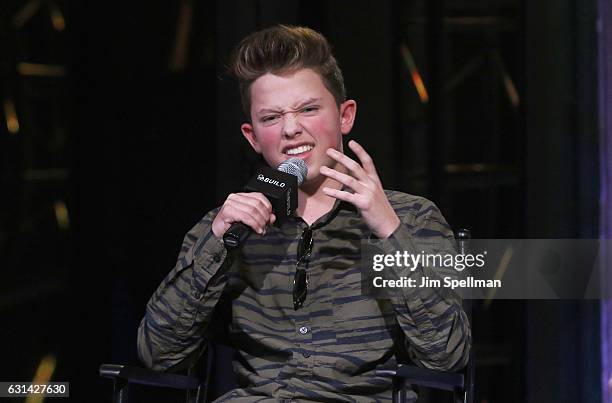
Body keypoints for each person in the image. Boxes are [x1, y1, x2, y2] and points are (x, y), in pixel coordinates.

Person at [138, 24, 470, 402]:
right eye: (271, 118)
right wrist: (216, 244)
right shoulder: (230, 225)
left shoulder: (411, 217)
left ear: (344, 116)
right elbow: (159, 355)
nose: (291, 129)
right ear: (252, 136)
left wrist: (388, 231)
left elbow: (446, 357)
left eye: (308, 109)